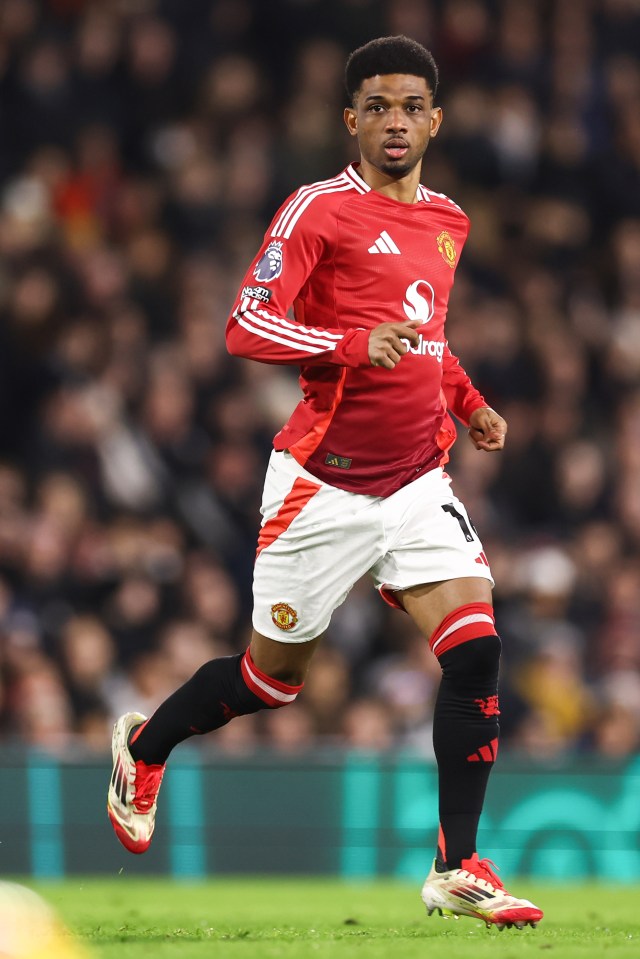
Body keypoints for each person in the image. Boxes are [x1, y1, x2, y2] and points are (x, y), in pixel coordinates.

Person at [107, 35, 543, 930]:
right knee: (272, 682)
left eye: (411, 107)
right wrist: (347, 342)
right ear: (351, 120)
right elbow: (244, 323)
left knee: (476, 651)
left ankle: (456, 864)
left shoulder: (450, 221)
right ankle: (144, 747)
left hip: (418, 479)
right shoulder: (317, 210)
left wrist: (469, 401)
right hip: (323, 484)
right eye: (377, 107)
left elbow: (428, 337)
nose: (395, 122)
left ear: (436, 120)